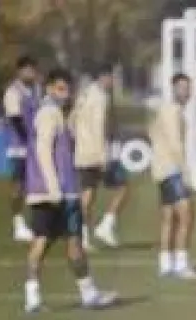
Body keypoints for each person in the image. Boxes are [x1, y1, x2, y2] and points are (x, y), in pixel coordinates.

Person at [23, 68, 117, 313]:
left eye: (67, 89)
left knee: (73, 242)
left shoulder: (60, 113)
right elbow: (43, 151)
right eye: (60, 89)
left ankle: (88, 294)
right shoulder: (48, 114)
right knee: (42, 242)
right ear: (49, 89)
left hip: (66, 191)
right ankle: (32, 297)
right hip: (50, 193)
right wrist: (53, 187)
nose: (65, 94)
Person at [148, 73, 196, 279]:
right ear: (173, 89)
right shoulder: (172, 111)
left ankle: (165, 264)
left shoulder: (166, 110)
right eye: (182, 87)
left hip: (162, 169)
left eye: (188, 87)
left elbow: (152, 131)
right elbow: (175, 143)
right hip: (172, 170)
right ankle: (180, 264)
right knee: (186, 215)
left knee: (169, 217)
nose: (186, 91)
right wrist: (185, 172)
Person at [73, 63, 127, 249]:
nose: (113, 82)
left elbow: (73, 119)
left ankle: (83, 236)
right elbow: (99, 127)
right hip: (96, 152)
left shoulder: (84, 94)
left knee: (87, 193)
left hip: (82, 150)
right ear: (104, 77)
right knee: (122, 187)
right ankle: (104, 226)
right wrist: (103, 155)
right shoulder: (100, 97)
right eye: (112, 77)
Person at [2, 56, 40, 242]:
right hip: (19, 146)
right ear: (20, 71)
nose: (32, 73)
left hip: (33, 145)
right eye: (28, 70)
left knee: (31, 184)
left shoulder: (34, 91)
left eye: (33, 70)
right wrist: (29, 139)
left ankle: (34, 222)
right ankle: (18, 223)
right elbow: (15, 119)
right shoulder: (13, 92)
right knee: (19, 184)